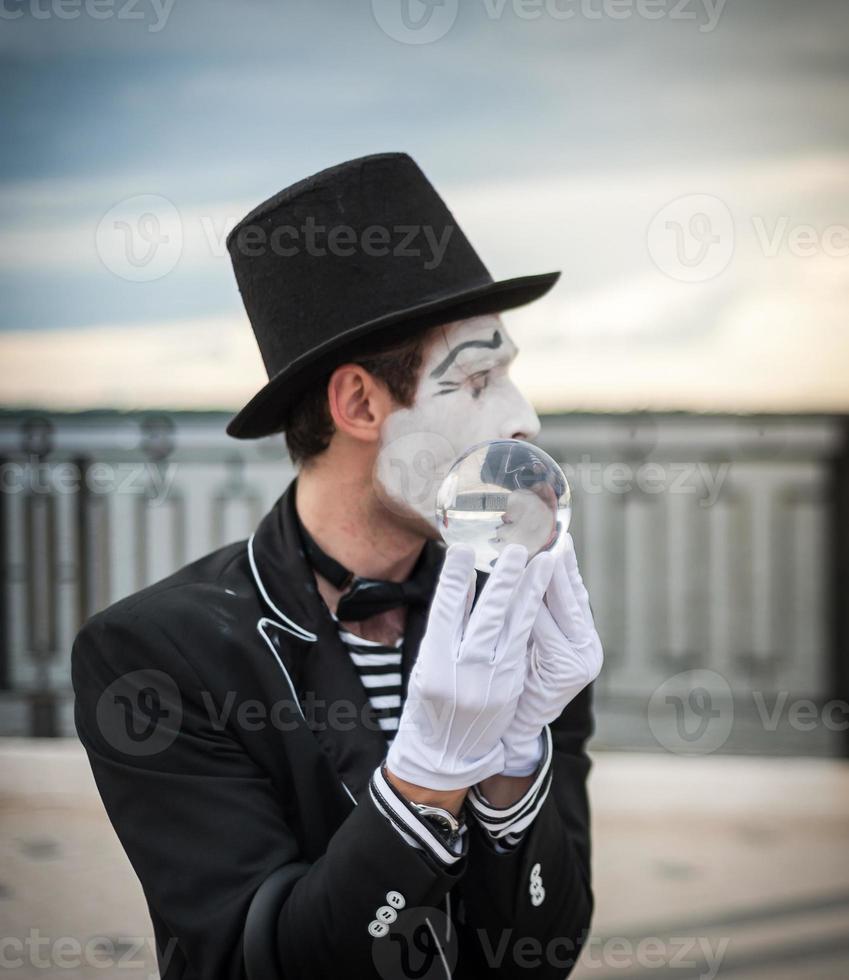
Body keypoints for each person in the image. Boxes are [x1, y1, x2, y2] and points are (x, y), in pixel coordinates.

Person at [71, 153, 604, 979]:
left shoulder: (514, 615)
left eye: (513, 373)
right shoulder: (156, 655)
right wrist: (422, 787)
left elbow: (545, 951)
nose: (522, 416)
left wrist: (512, 767)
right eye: (476, 380)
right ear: (359, 405)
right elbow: (252, 964)